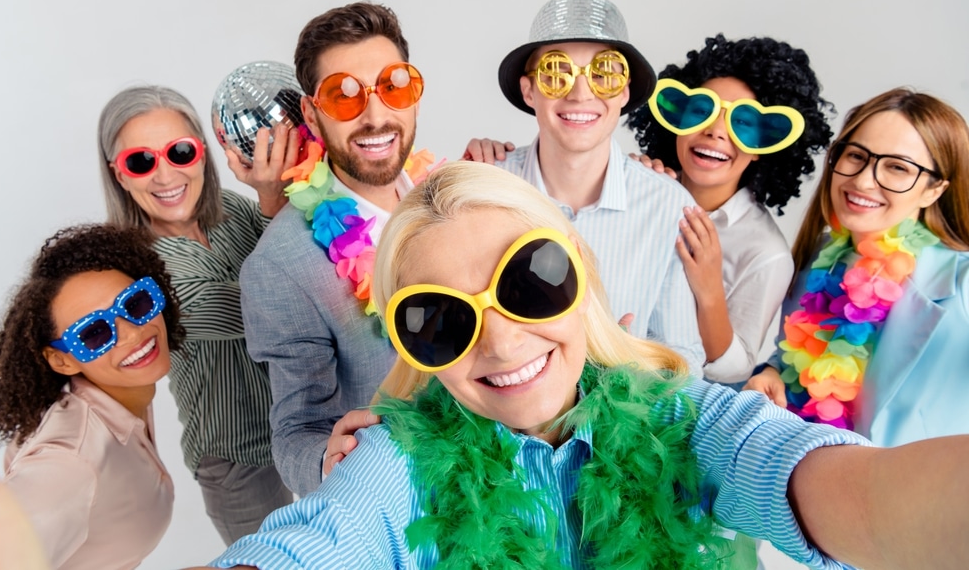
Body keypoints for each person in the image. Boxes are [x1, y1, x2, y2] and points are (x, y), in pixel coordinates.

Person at [193, 162, 969, 570]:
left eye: (530, 280)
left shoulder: (687, 418)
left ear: (584, 278)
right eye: (439, 318)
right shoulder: (393, 465)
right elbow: (310, 544)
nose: (499, 343)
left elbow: (858, 496)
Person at [239, 0, 439, 496]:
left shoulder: (449, 194)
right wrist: (328, 460)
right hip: (411, 500)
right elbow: (297, 430)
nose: (375, 116)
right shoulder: (281, 265)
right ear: (311, 112)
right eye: (344, 96)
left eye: (393, 86)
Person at [97, 86, 297, 543]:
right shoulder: (140, 274)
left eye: (180, 152)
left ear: (204, 154)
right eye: (141, 162)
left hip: (302, 429)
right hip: (238, 459)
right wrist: (273, 200)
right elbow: (269, 312)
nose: (165, 175)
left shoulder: (233, 210)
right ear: (120, 175)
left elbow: (304, 261)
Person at [491, 0, 704, 372]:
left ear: (622, 92)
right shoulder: (486, 191)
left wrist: (628, 365)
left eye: (603, 75)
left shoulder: (667, 206)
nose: (580, 93)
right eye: (557, 74)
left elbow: (683, 356)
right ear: (529, 90)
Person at [745, 87, 969, 446]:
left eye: (897, 167)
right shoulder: (819, 259)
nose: (863, 180)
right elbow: (807, 358)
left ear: (934, 190)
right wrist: (771, 371)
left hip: (909, 494)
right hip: (804, 483)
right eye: (856, 156)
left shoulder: (961, 283)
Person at [626, 34, 835, 384]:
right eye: (700, 110)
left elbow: (734, 368)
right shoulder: (637, 184)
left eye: (744, 123)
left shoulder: (765, 253)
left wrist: (709, 289)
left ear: (762, 147)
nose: (715, 131)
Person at [0, 224, 182, 569]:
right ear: (62, 360)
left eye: (135, 303)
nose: (132, 333)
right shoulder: (69, 461)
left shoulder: (122, 398)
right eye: (93, 334)